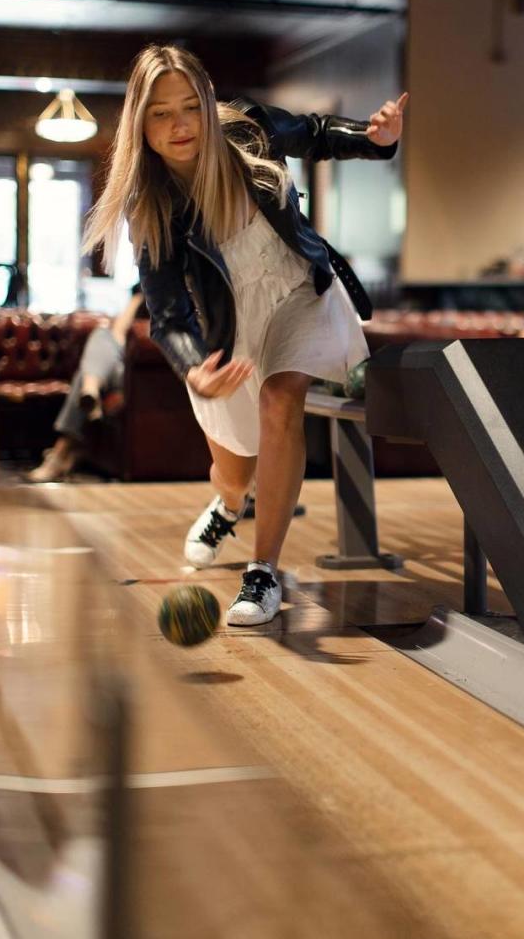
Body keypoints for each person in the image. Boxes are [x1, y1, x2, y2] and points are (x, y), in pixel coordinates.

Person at [83, 44, 406, 625]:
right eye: (161, 113)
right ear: (141, 123)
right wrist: (193, 367)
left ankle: (262, 573)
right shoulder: (153, 206)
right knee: (233, 472)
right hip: (228, 331)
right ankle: (230, 504)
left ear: (208, 104)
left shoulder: (249, 130)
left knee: (282, 399)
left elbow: (315, 132)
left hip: (302, 294)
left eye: (190, 107)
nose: (180, 125)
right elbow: (167, 312)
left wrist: (374, 137)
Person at [26, 287, 147, 482]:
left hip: (136, 377)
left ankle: (61, 452)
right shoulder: (146, 294)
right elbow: (118, 334)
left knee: (89, 368)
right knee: (101, 336)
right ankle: (90, 391)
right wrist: (138, 297)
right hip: (119, 368)